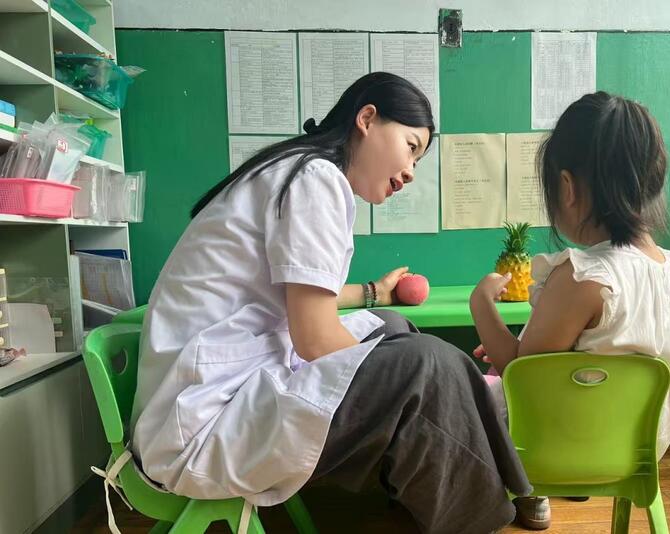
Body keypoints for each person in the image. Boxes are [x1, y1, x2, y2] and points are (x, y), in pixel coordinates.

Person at [131, 71, 531, 534]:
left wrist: (373, 293)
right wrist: (416, 373)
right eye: (411, 148)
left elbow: (298, 292)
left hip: (215, 386)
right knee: (424, 364)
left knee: (391, 327)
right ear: (367, 119)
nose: (410, 172)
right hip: (202, 420)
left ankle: (456, 483)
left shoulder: (296, 169)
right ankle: (486, 504)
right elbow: (316, 339)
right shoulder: (315, 178)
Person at [470, 92, 670, 530]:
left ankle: (489, 500)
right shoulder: (669, 270)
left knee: (461, 389)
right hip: (637, 452)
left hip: (552, 448)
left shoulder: (584, 276)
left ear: (567, 187)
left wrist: (481, 304)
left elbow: (520, 372)